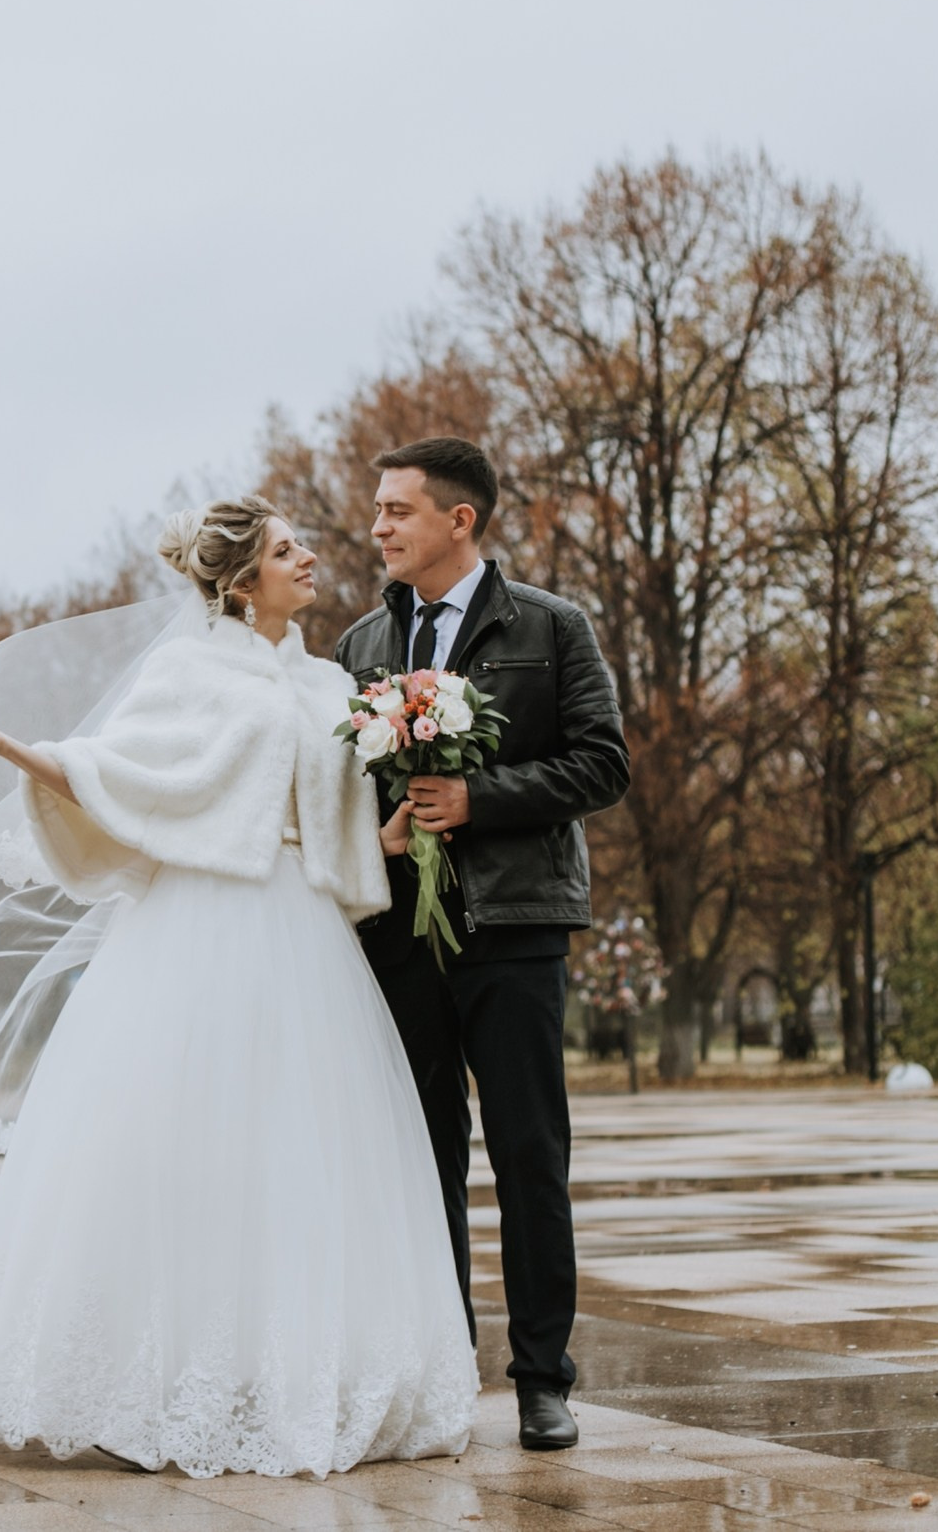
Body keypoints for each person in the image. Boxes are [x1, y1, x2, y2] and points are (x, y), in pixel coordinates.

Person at [0, 496, 476, 1478]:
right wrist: (8, 748)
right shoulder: (187, 669)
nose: (307, 557)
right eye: (283, 549)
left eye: (299, 543)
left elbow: (335, 821)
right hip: (198, 927)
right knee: (182, 1150)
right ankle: (155, 1380)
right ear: (235, 581)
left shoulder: (327, 681)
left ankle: (294, 1376)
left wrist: (401, 828)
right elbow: (118, 771)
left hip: (304, 934)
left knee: (304, 1154)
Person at [334, 438, 630, 1452]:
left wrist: (478, 799)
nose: (377, 526)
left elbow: (601, 764)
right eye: (377, 510)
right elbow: (341, 792)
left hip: (513, 929)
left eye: (395, 511)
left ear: (458, 521)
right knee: (422, 1164)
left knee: (528, 1156)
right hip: (399, 940)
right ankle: (442, 1370)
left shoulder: (550, 629)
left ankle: (544, 1379)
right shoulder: (360, 645)